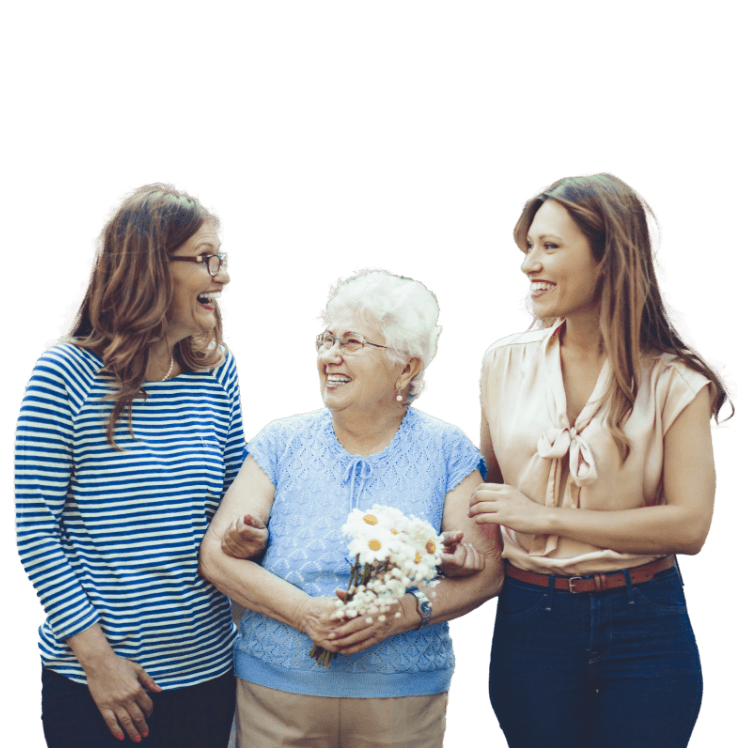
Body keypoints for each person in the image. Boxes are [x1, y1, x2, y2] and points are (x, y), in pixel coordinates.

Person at [470, 172, 735, 748]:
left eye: (550, 247)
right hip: (529, 620)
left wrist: (546, 517)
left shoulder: (676, 381)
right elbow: (485, 492)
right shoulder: (501, 363)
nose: (528, 264)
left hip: (646, 623)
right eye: (528, 247)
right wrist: (453, 547)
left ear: (608, 257)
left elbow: (689, 526)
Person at [199, 269, 504, 748]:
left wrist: (403, 613)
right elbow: (215, 555)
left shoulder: (448, 448)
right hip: (275, 695)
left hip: (402, 702)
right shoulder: (281, 440)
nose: (329, 356)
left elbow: (488, 572)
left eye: (353, 342)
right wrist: (304, 613)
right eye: (327, 339)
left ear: (407, 367)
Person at [13, 184, 243, 747]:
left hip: (209, 675)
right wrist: (99, 664)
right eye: (205, 259)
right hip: (101, 687)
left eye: (223, 259)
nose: (222, 275)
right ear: (148, 268)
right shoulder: (64, 373)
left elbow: (239, 514)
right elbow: (38, 531)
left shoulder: (217, 373)